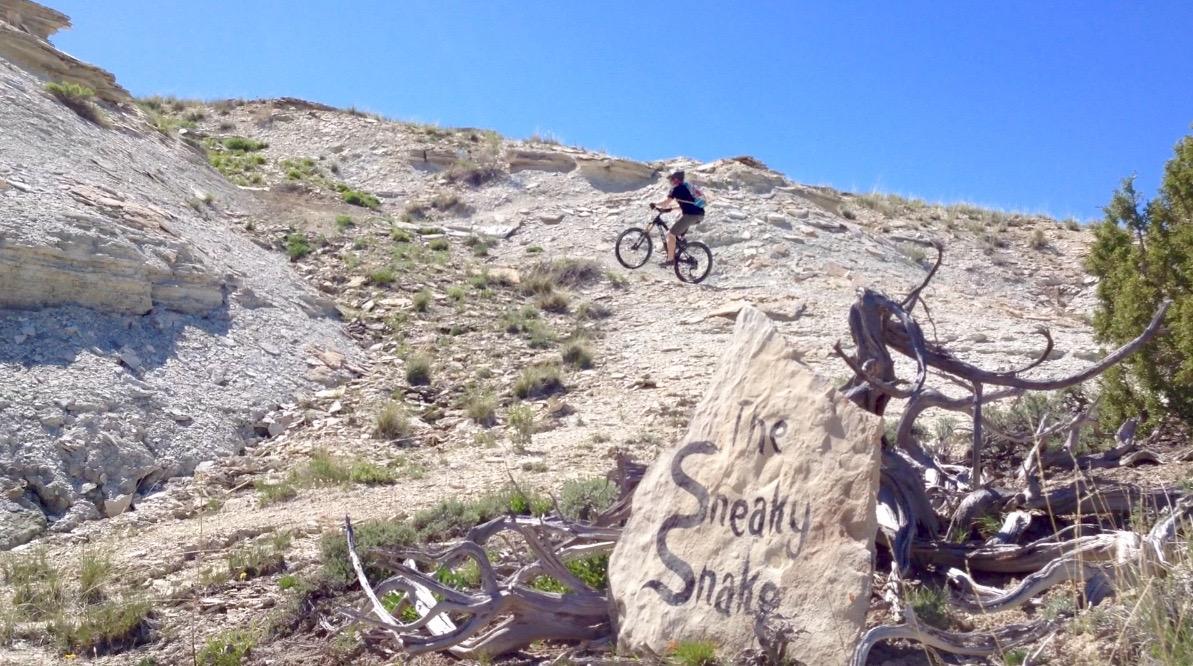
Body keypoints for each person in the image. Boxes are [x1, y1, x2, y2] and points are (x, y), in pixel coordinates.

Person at [651, 170, 704, 265]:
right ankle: (681, 242)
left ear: (675, 179)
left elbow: (666, 202)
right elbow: (686, 204)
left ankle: (670, 260)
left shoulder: (677, 188)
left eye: (671, 179)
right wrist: (671, 209)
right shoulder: (686, 187)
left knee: (670, 234)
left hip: (692, 215)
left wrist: (655, 204)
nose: (670, 181)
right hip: (697, 214)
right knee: (677, 229)